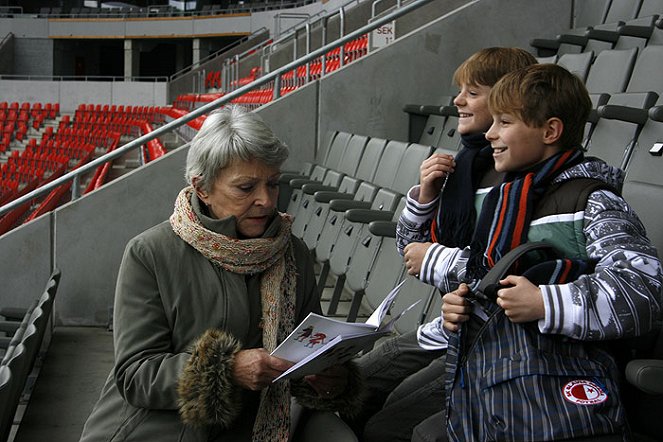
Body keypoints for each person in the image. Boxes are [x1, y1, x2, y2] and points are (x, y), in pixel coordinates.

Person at [80, 106, 362, 442]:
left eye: (273, 184)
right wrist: (226, 370)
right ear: (202, 188)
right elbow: (135, 376)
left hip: (257, 423)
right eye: (246, 188)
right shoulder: (150, 253)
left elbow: (307, 348)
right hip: (158, 428)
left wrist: (330, 379)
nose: (266, 201)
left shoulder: (293, 252)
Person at [433, 64, 662, 441]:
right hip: (494, 384)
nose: (490, 133)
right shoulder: (509, 198)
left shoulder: (594, 200)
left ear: (550, 131)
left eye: (504, 122)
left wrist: (544, 302)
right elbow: (491, 277)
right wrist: (462, 305)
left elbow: (644, 291)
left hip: (555, 398)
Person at [342, 47, 538, 442]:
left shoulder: (520, 183)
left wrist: (438, 259)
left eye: (473, 92)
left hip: (487, 342)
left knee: (385, 418)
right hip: (448, 328)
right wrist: (425, 197)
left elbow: (506, 271)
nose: (458, 101)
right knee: (351, 383)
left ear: (506, 99)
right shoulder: (467, 167)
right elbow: (409, 253)